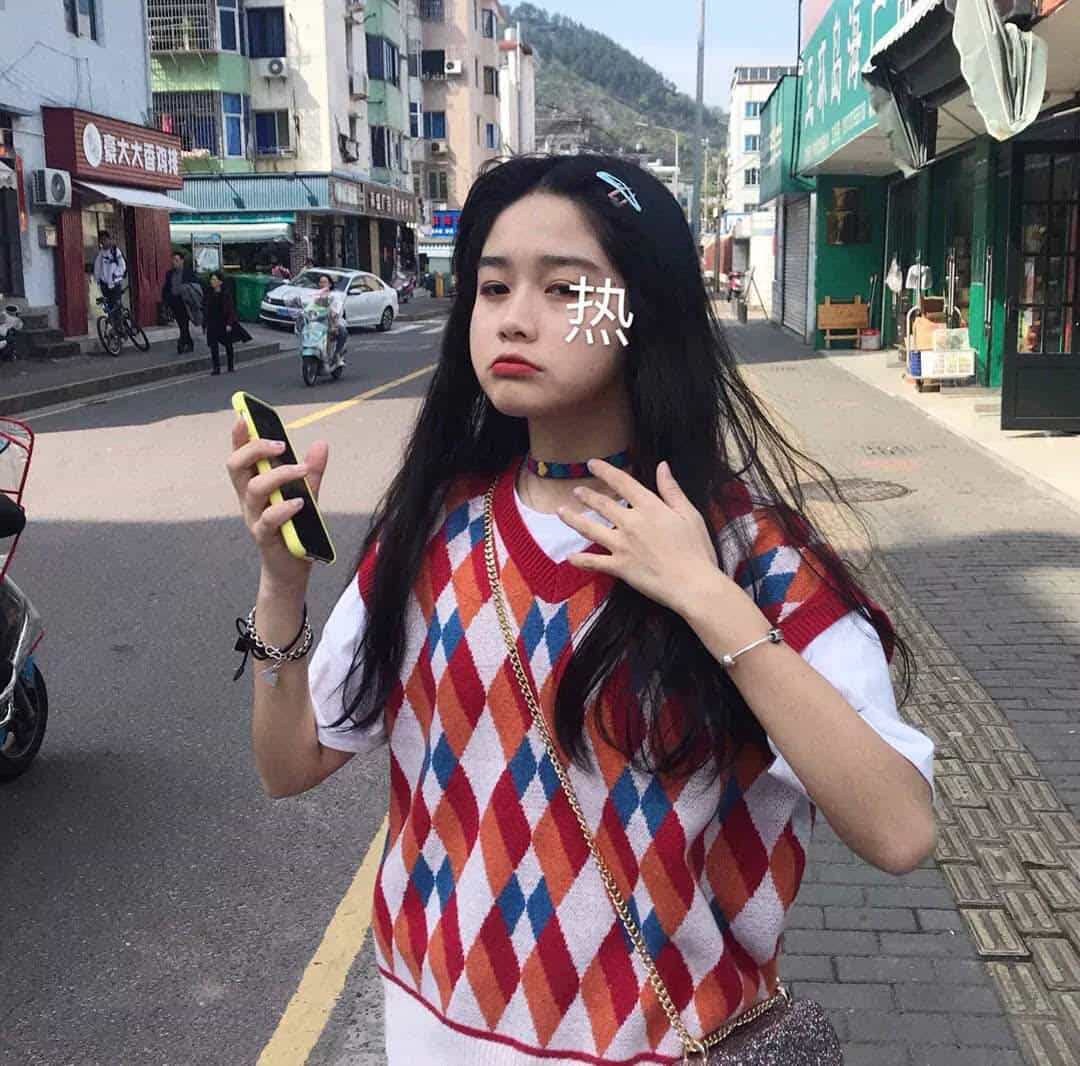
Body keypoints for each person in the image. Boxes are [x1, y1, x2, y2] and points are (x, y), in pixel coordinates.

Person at [226, 154, 935, 1064]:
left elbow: (899, 828)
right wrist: (281, 588)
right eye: (492, 287)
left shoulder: (753, 553)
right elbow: (289, 765)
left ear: (641, 310)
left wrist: (706, 596)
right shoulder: (432, 531)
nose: (514, 317)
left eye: (564, 288)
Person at [161, 251, 198, 354]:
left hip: (185, 302)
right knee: (181, 324)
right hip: (174, 301)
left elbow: (194, 286)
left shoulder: (188, 272)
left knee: (184, 323)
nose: (174, 262)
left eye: (176, 260)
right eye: (173, 260)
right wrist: (166, 300)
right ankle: (189, 343)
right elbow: (166, 287)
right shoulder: (170, 273)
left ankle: (181, 343)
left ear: (182, 261)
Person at [203, 272, 238, 375]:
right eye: (211, 280)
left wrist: (229, 324)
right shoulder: (209, 294)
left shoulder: (226, 294)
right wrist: (204, 324)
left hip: (223, 322)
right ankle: (216, 368)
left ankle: (230, 365)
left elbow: (231, 310)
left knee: (228, 345)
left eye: (214, 280)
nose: (212, 282)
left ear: (220, 282)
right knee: (213, 346)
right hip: (212, 323)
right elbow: (206, 309)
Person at [93, 232, 127, 319]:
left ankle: (119, 325)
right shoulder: (100, 254)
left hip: (115, 284)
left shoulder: (115, 251)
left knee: (116, 307)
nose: (103, 242)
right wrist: (98, 280)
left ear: (109, 239)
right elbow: (97, 268)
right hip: (105, 285)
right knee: (109, 307)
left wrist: (115, 275)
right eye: (101, 240)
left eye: (104, 239)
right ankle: (113, 324)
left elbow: (122, 266)